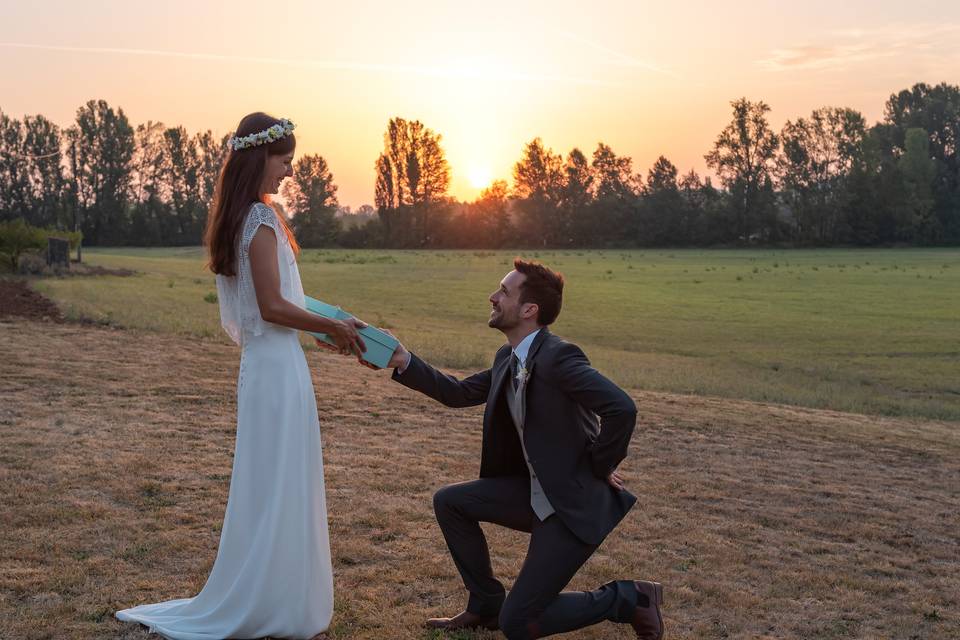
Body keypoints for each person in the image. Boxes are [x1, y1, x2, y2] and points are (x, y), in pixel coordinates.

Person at [115, 113, 366, 639]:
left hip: (271, 364)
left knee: (274, 479)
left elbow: (275, 302)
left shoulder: (247, 217)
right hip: (276, 370)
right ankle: (272, 599)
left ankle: (277, 591)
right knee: (276, 480)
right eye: (284, 162)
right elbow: (273, 306)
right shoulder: (260, 220)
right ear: (259, 158)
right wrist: (329, 325)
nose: (288, 173)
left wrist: (327, 325)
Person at [384, 258, 664, 640]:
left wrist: (597, 466)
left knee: (519, 623)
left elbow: (621, 408)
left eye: (504, 291)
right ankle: (485, 604)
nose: (493, 297)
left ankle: (630, 599)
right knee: (449, 501)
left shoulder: (559, 358)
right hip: (534, 493)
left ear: (530, 310)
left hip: (569, 504)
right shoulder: (509, 357)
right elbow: (459, 393)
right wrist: (403, 360)